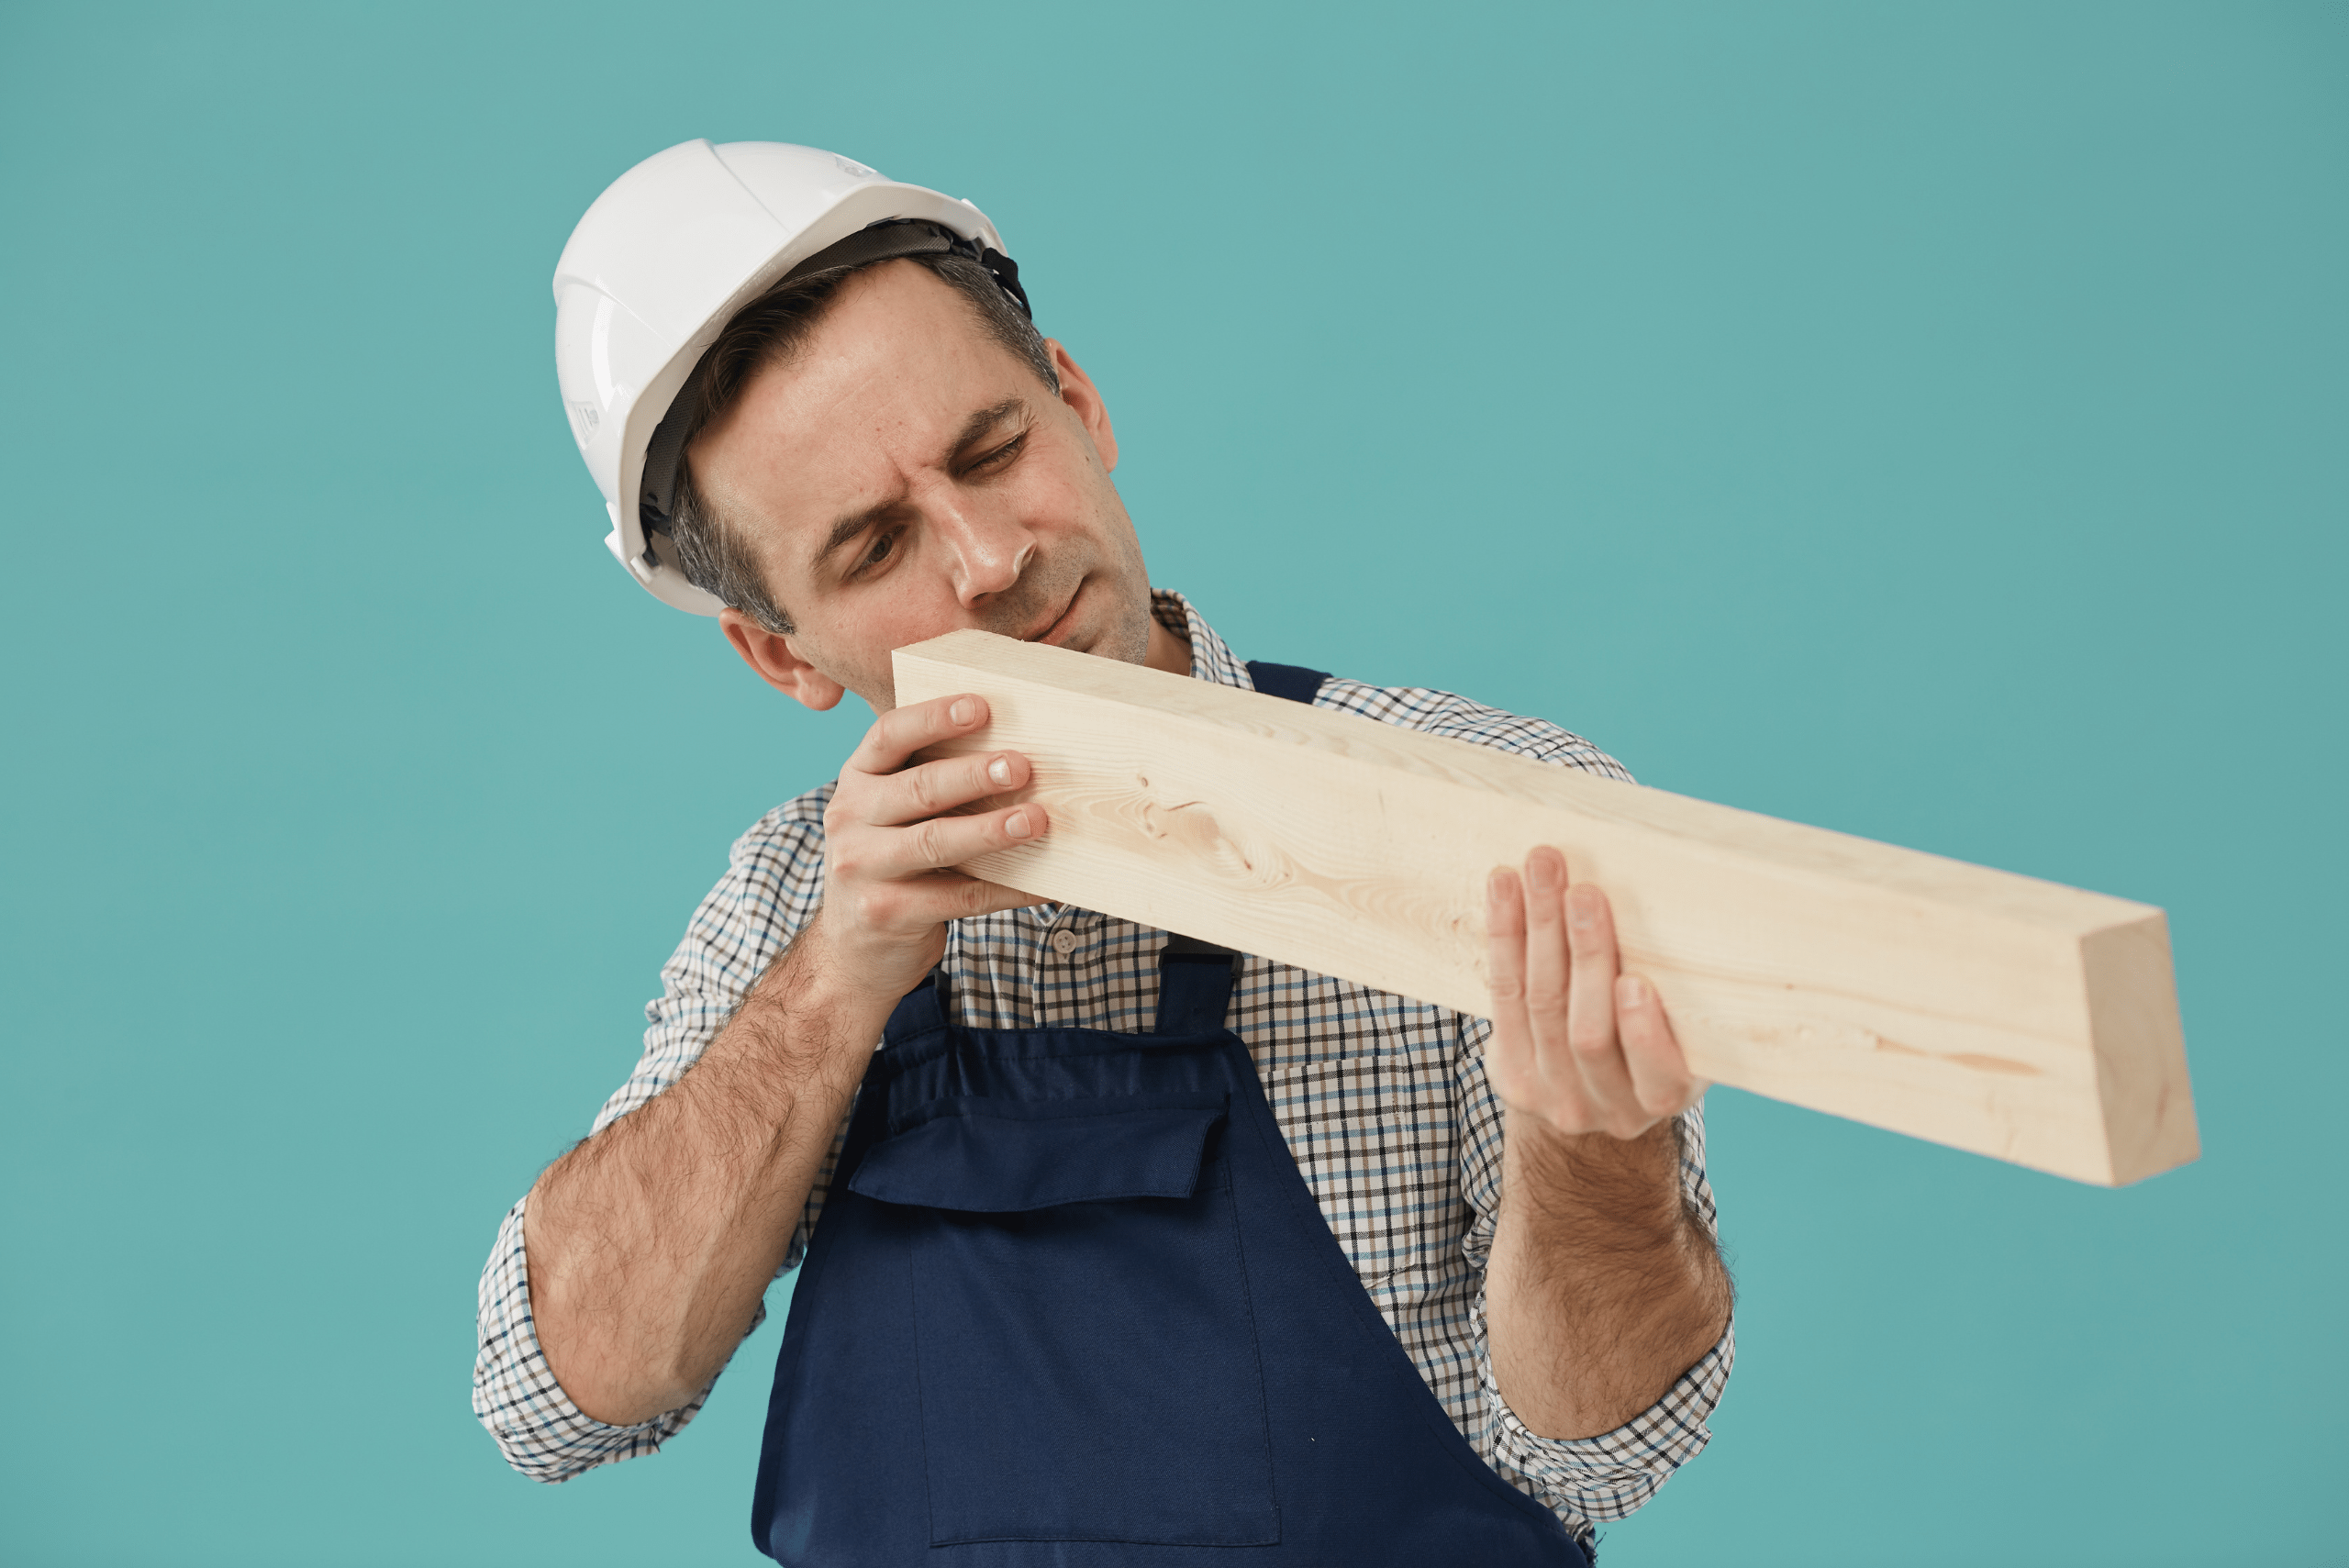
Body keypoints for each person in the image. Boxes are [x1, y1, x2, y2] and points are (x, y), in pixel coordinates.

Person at [475, 140, 1734, 1566]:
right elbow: (555, 1399)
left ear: (1079, 404)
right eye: (877, 544)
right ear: (779, 652)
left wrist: (1595, 1155)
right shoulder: (794, 900)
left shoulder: (1500, 825)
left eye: (995, 451)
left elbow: (1605, 1445)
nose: (987, 559)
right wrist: (834, 988)